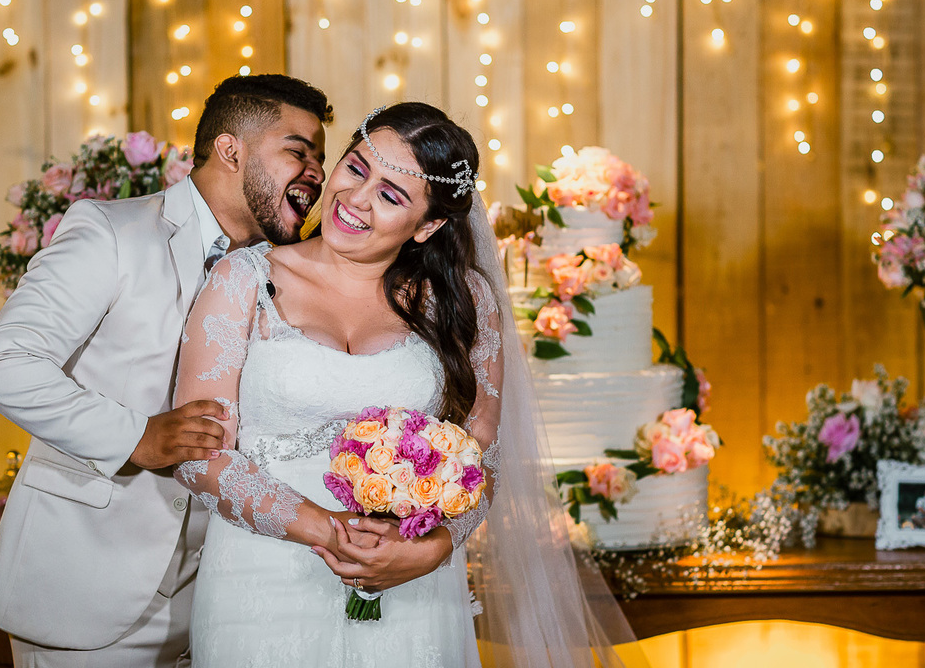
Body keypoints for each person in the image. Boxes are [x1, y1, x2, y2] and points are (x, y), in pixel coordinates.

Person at [172, 103, 634, 666]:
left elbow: (484, 454)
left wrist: (434, 547)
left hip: (411, 589)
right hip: (259, 577)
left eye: (392, 196)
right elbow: (198, 455)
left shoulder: (463, 301)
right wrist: (325, 529)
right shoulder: (243, 278)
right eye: (356, 168)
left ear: (428, 225)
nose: (356, 198)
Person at [0, 74, 335, 666]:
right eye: (299, 150)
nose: (318, 172)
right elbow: (1, 363)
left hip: (223, 599)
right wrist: (138, 435)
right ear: (231, 149)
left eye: (321, 156)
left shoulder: (289, 274)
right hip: (84, 593)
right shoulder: (110, 231)